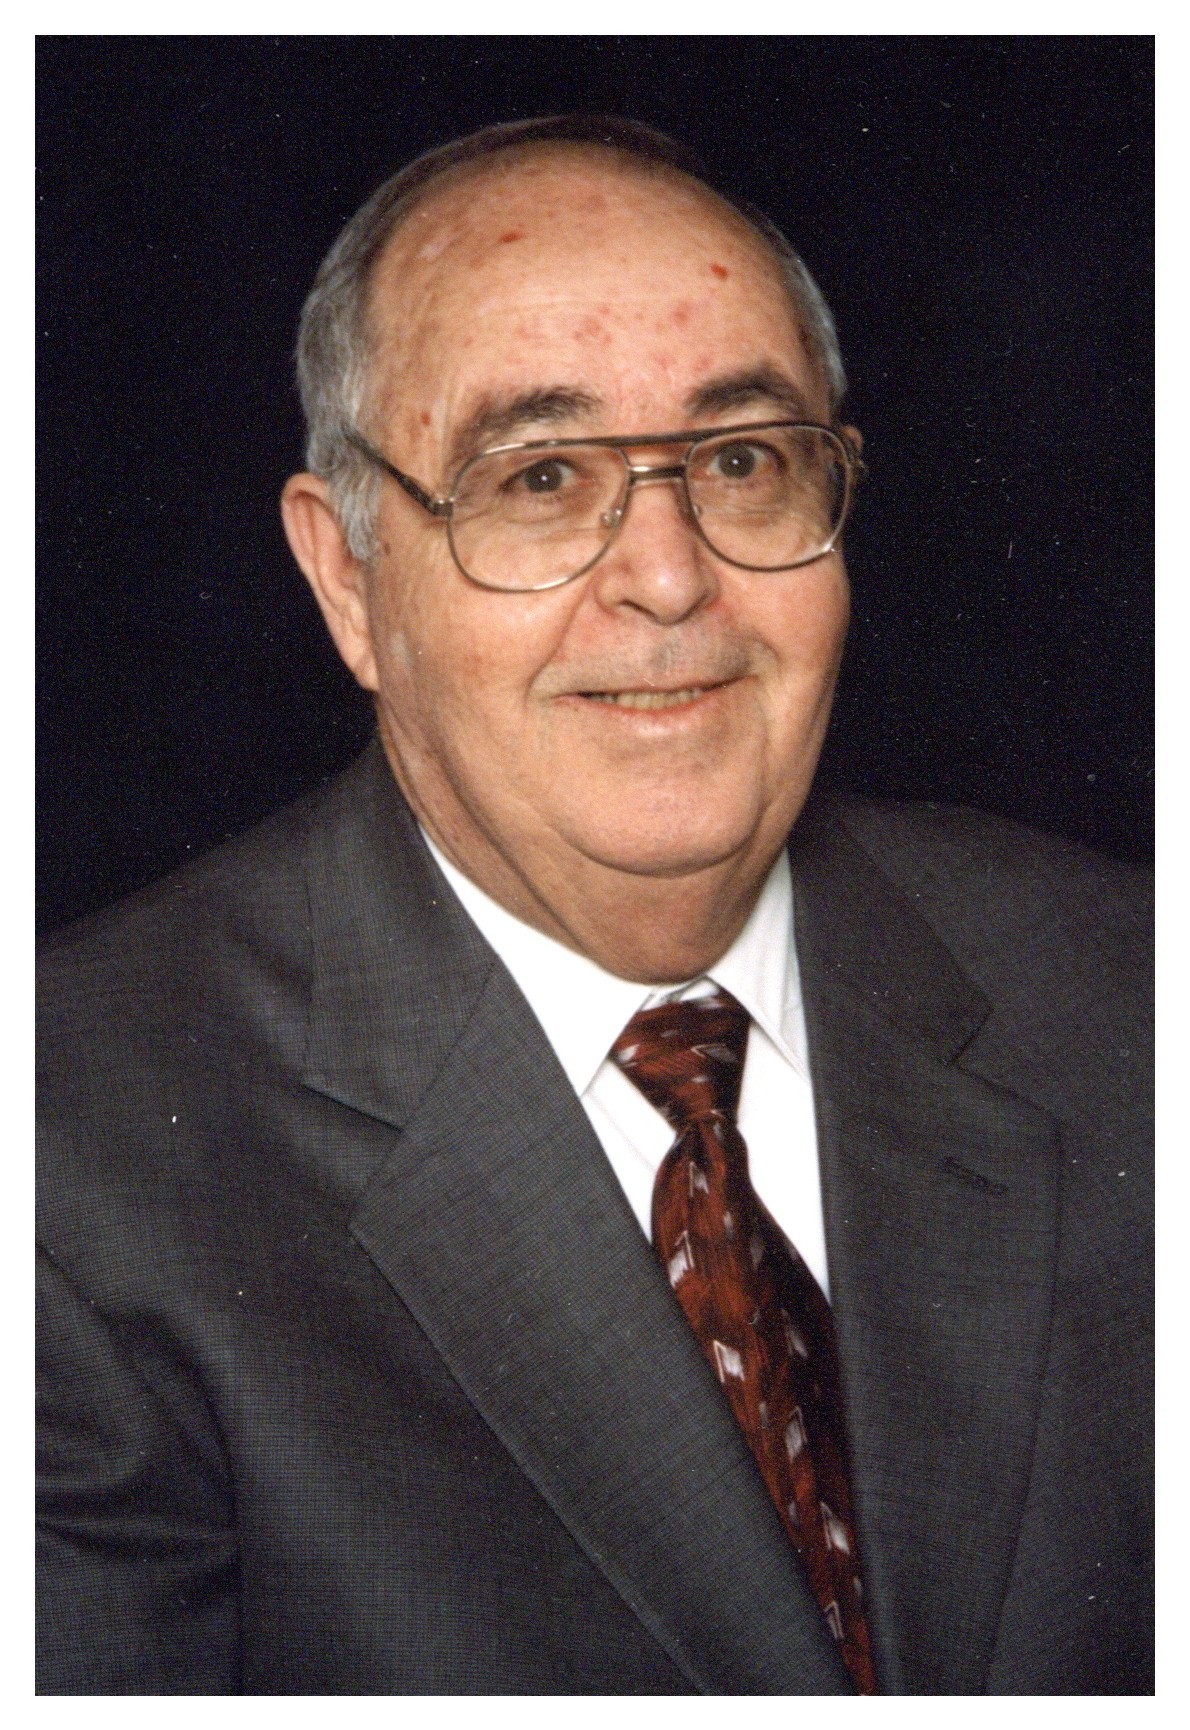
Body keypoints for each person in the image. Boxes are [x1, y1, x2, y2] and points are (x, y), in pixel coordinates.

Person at [36, 115, 1152, 1696]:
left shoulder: (1127, 996)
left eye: (741, 461)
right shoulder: (69, 1164)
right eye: (542, 478)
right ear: (347, 577)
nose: (668, 577)